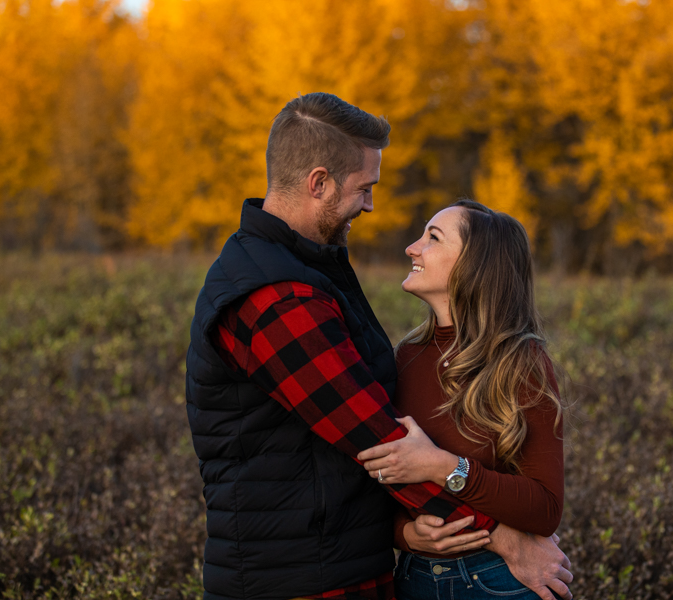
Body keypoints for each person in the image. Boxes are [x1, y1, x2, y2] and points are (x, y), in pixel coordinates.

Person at [186, 92, 572, 600]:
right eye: (364, 188)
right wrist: (503, 540)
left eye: (433, 239)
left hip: (340, 567)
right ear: (318, 183)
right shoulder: (277, 297)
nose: (370, 205)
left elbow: (374, 460)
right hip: (298, 579)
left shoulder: (309, 273)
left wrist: (419, 516)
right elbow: (379, 442)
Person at [357, 200, 567, 599]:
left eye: (432, 238)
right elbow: (386, 476)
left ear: (474, 266)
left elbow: (544, 508)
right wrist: (405, 534)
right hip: (414, 578)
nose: (411, 248)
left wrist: (446, 467)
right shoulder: (407, 357)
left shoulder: (519, 362)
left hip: (497, 581)